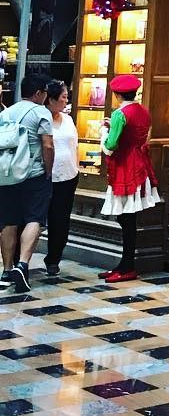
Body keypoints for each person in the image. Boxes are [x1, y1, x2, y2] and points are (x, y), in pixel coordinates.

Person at [100, 73, 161, 283]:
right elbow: (138, 134)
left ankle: (127, 266)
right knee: (128, 217)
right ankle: (124, 264)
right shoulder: (143, 111)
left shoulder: (119, 114)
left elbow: (111, 146)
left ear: (117, 94)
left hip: (125, 167)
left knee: (126, 218)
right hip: (140, 165)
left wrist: (104, 133)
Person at [0, 72, 54, 292]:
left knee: (8, 221)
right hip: (34, 174)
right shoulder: (42, 112)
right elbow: (47, 145)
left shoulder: (7, 112)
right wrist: (48, 171)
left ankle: (6, 271)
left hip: (8, 175)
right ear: (39, 93)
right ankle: (22, 265)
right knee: (35, 218)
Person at [44, 79, 78, 278]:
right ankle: (19, 260)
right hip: (45, 177)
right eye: (63, 97)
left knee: (61, 221)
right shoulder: (41, 118)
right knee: (35, 220)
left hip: (67, 177)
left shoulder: (68, 119)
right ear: (51, 99)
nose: (66, 101)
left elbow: (74, 145)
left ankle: (53, 260)